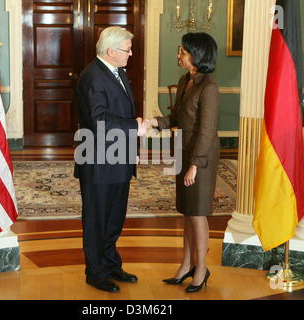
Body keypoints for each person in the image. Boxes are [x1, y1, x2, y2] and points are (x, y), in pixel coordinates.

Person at [74, 26, 147, 293]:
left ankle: (111, 264)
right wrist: (135, 127)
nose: (130, 54)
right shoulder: (92, 77)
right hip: (98, 162)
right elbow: (98, 120)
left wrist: (131, 147)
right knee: (97, 219)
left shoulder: (117, 72)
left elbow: (120, 111)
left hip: (117, 158)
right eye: (127, 50)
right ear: (111, 51)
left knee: (114, 217)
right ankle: (95, 272)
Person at [148, 32, 219, 293]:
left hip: (201, 158)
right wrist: (151, 123)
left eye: (183, 52)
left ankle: (201, 270)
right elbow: (176, 117)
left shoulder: (208, 87)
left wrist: (194, 165)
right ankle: (186, 265)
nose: (178, 55)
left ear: (197, 56)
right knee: (187, 213)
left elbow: (207, 131)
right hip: (184, 153)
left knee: (198, 215)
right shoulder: (184, 81)